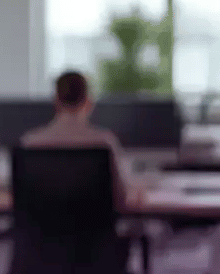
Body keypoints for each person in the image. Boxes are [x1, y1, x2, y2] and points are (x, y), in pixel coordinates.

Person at [19, 70, 134, 207]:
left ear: (56, 101)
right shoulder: (104, 142)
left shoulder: (31, 142)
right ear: (88, 102)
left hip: (43, 227)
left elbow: (22, 198)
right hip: (94, 227)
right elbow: (121, 197)